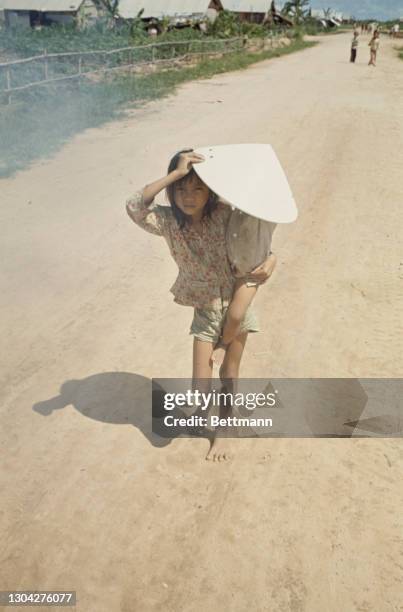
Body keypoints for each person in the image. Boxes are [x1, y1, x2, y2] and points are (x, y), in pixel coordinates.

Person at [125, 150, 274, 461]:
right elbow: (134, 206)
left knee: (229, 373)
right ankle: (201, 411)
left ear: (210, 191)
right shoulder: (167, 222)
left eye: (197, 188)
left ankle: (221, 433)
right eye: (181, 189)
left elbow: (259, 242)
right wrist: (176, 173)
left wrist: (272, 260)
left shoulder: (226, 214)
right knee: (199, 385)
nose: (188, 197)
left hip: (236, 303)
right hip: (205, 310)